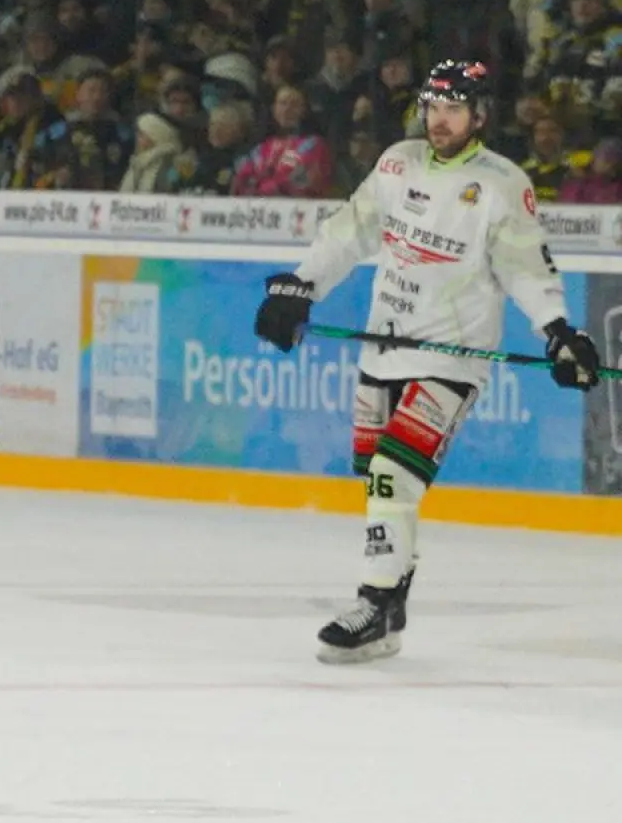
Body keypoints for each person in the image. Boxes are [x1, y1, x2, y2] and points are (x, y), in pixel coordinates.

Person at [253, 59, 600, 664]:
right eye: (433, 107)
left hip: (451, 356)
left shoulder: (498, 182)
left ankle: (372, 600)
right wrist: (301, 286)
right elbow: (350, 232)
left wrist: (557, 330)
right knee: (378, 478)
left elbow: (525, 264)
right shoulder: (398, 162)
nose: (440, 120)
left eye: (454, 108)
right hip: (384, 347)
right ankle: (390, 611)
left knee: (393, 474)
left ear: (479, 114)